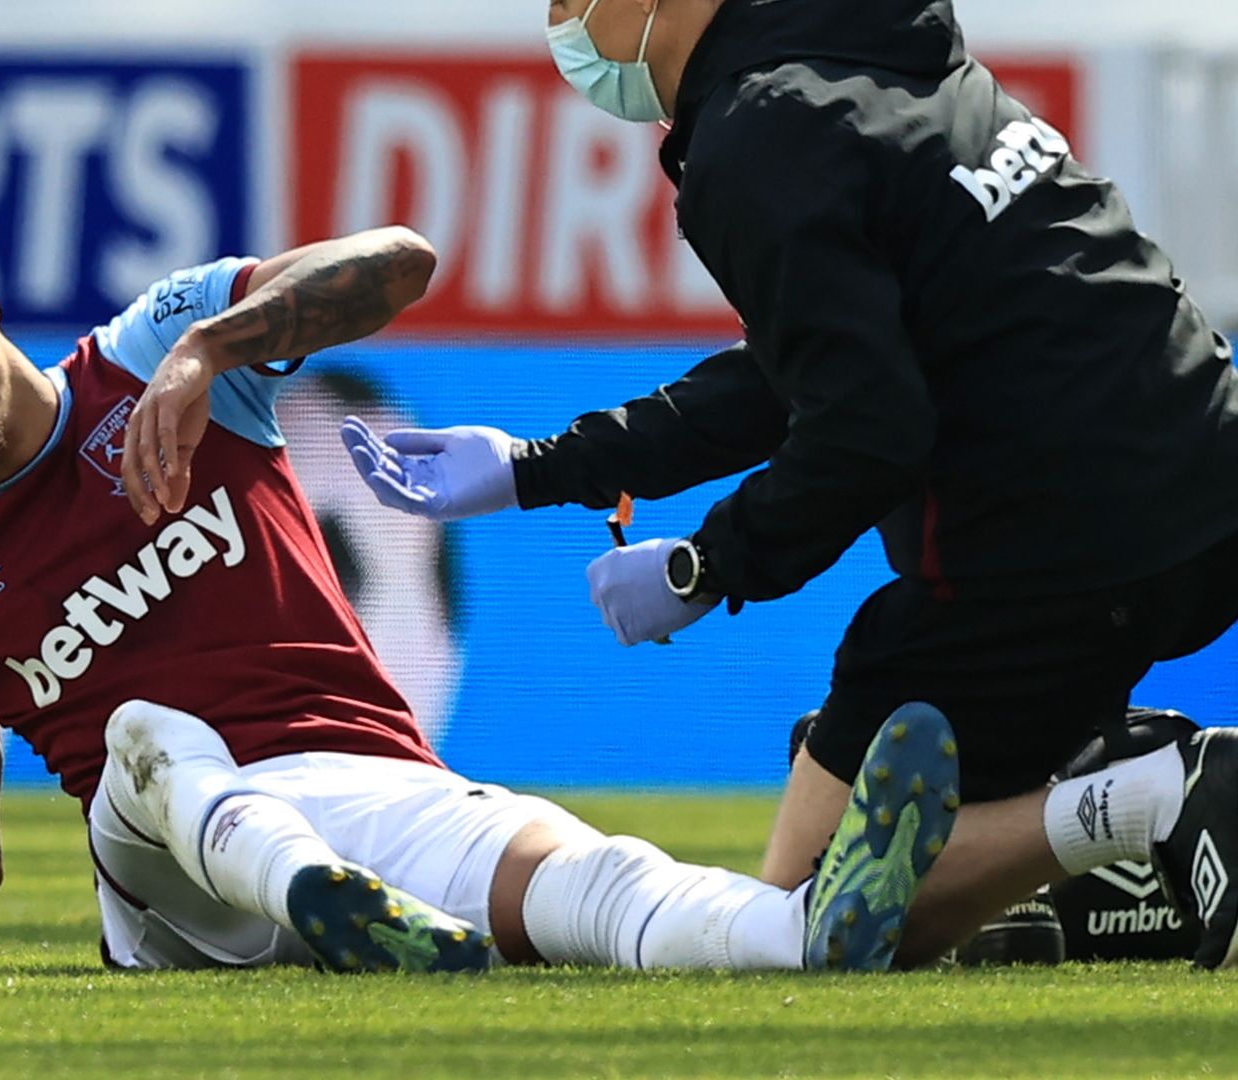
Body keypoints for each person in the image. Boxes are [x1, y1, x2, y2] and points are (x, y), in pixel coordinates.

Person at [0, 223, 960, 976]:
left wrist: (212, 347)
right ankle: (305, 891)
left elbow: (398, 262)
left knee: (595, 881)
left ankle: (799, 937)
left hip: (363, 795)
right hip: (173, 898)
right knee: (144, 742)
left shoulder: (149, 356)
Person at [340, 0, 1238, 968]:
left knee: (802, 930)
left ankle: (1158, 796)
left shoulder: (758, 135)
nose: (558, 25)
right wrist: (538, 467)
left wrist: (704, 567)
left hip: (1068, 551)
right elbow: (797, 375)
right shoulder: (869, 49)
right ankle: (1081, 861)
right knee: (844, 815)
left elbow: (869, 430)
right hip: (1206, 486)